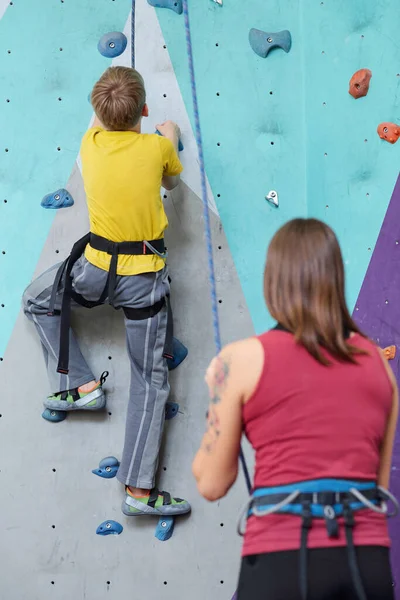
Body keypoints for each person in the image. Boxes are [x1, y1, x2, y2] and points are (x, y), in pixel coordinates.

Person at [192, 218, 398, 600]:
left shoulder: (238, 361)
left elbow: (211, 483)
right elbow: (377, 489)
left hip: (280, 561)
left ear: (273, 283)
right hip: (365, 564)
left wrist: (216, 403)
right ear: (335, 281)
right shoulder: (378, 364)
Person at [23, 66, 191, 518]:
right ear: (145, 111)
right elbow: (171, 182)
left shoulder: (90, 145)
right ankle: (138, 490)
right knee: (150, 378)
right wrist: (169, 134)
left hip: (94, 269)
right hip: (142, 284)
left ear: (96, 113)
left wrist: (118, 112)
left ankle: (78, 386)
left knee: (37, 300)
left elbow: (105, 120)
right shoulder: (158, 147)